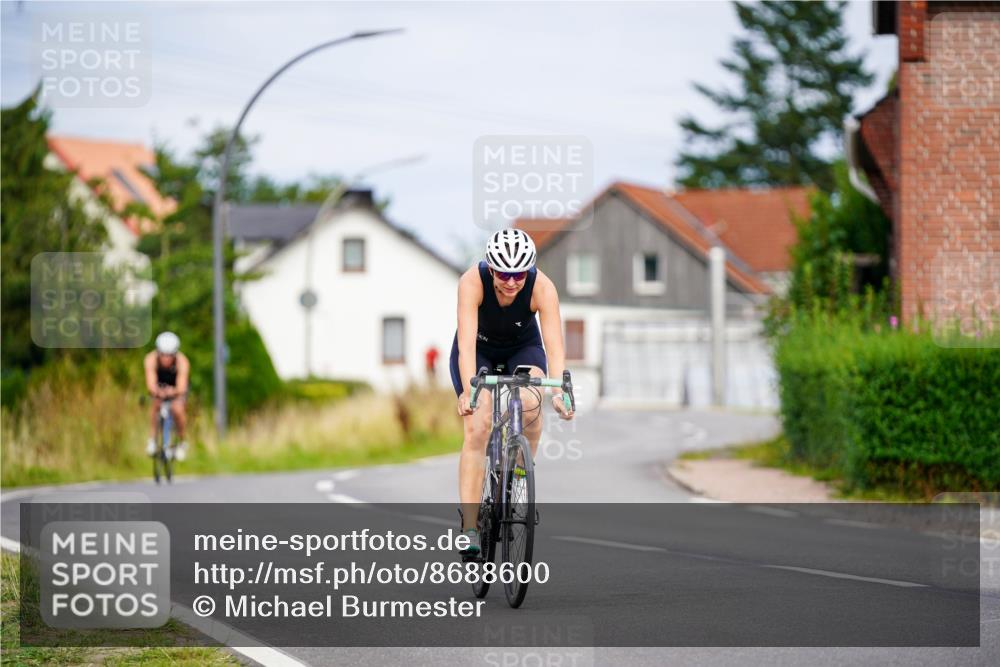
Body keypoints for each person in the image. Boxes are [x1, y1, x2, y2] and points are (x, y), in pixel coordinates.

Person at [450, 228, 575, 555]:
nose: (511, 282)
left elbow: (554, 345)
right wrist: (468, 391)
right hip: (479, 352)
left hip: (523, 349)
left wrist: (560, 391)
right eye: (504, 273)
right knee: (478, 426)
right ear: (491, 268)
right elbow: (465, 346)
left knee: (532, 402)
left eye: (519, 274)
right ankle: (469, 528)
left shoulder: (542, 287)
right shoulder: (471, 283)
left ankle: (519, 472)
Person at [144, 331, 190, 461]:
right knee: (156, 404)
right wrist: (158, 392)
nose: (166, 358)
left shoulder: (183, 361)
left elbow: (181, 387)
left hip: (176, 386)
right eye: (163, 354)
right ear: (158, 352)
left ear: (175, 353)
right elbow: (150, 384)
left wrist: (173, 392)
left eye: (169, 355)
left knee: (178, 409)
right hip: (159, 385)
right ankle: (152, 440)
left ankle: (181, 442)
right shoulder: (150, 359)